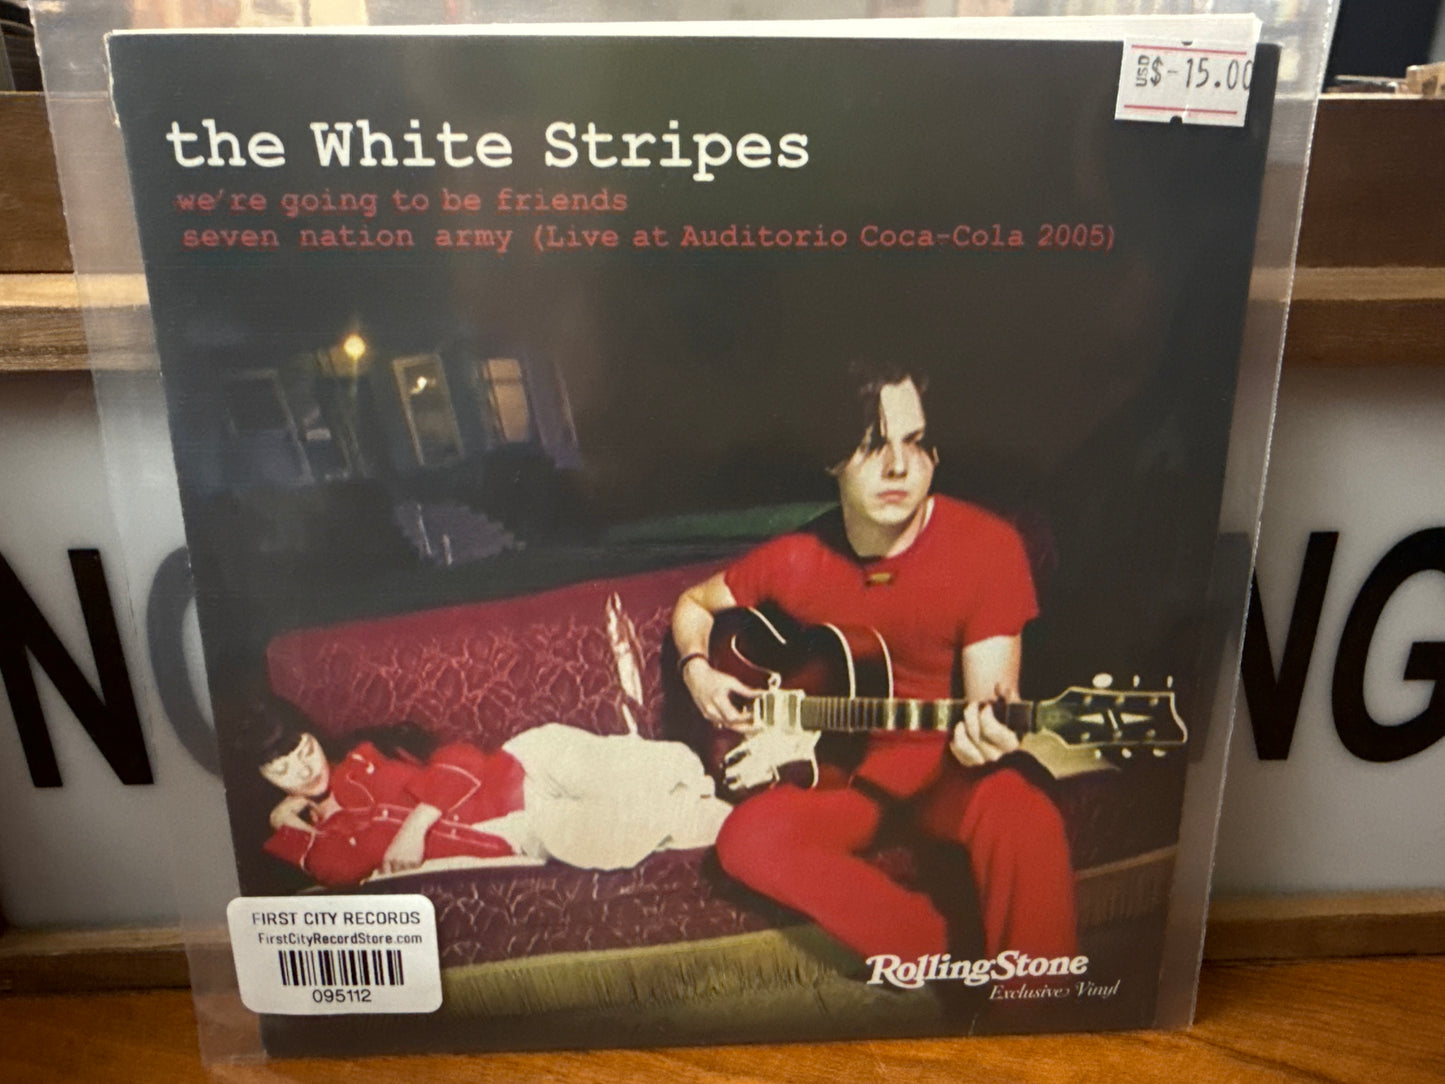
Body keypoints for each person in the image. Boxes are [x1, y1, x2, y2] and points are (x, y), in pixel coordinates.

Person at [671, 363, 1077, 966]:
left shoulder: (987, 546)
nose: (899, 466)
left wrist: (986, 738)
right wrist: (698, 671)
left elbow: (993, 702)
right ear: (831, 458)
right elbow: (694, 605)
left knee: (1025, 814)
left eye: (916, 442)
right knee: (747, 838)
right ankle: (937, 952)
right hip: (847, 778)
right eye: (872, 445)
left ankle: (1036, 1005)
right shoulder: (795, 560)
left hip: (948, 771)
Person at [250, 699, 733, 887]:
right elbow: (338, 870)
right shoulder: (322, 841)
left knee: (634, 769)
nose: (304, 769)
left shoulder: (364, 757)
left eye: (304, 749)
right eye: (282, 768)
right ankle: (737, 820)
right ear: (265, 779)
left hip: (521, 766)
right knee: (608, 834)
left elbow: (462, 758)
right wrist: (284, 825)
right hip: (514, 828)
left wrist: (416, 826)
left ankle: (725, 783)